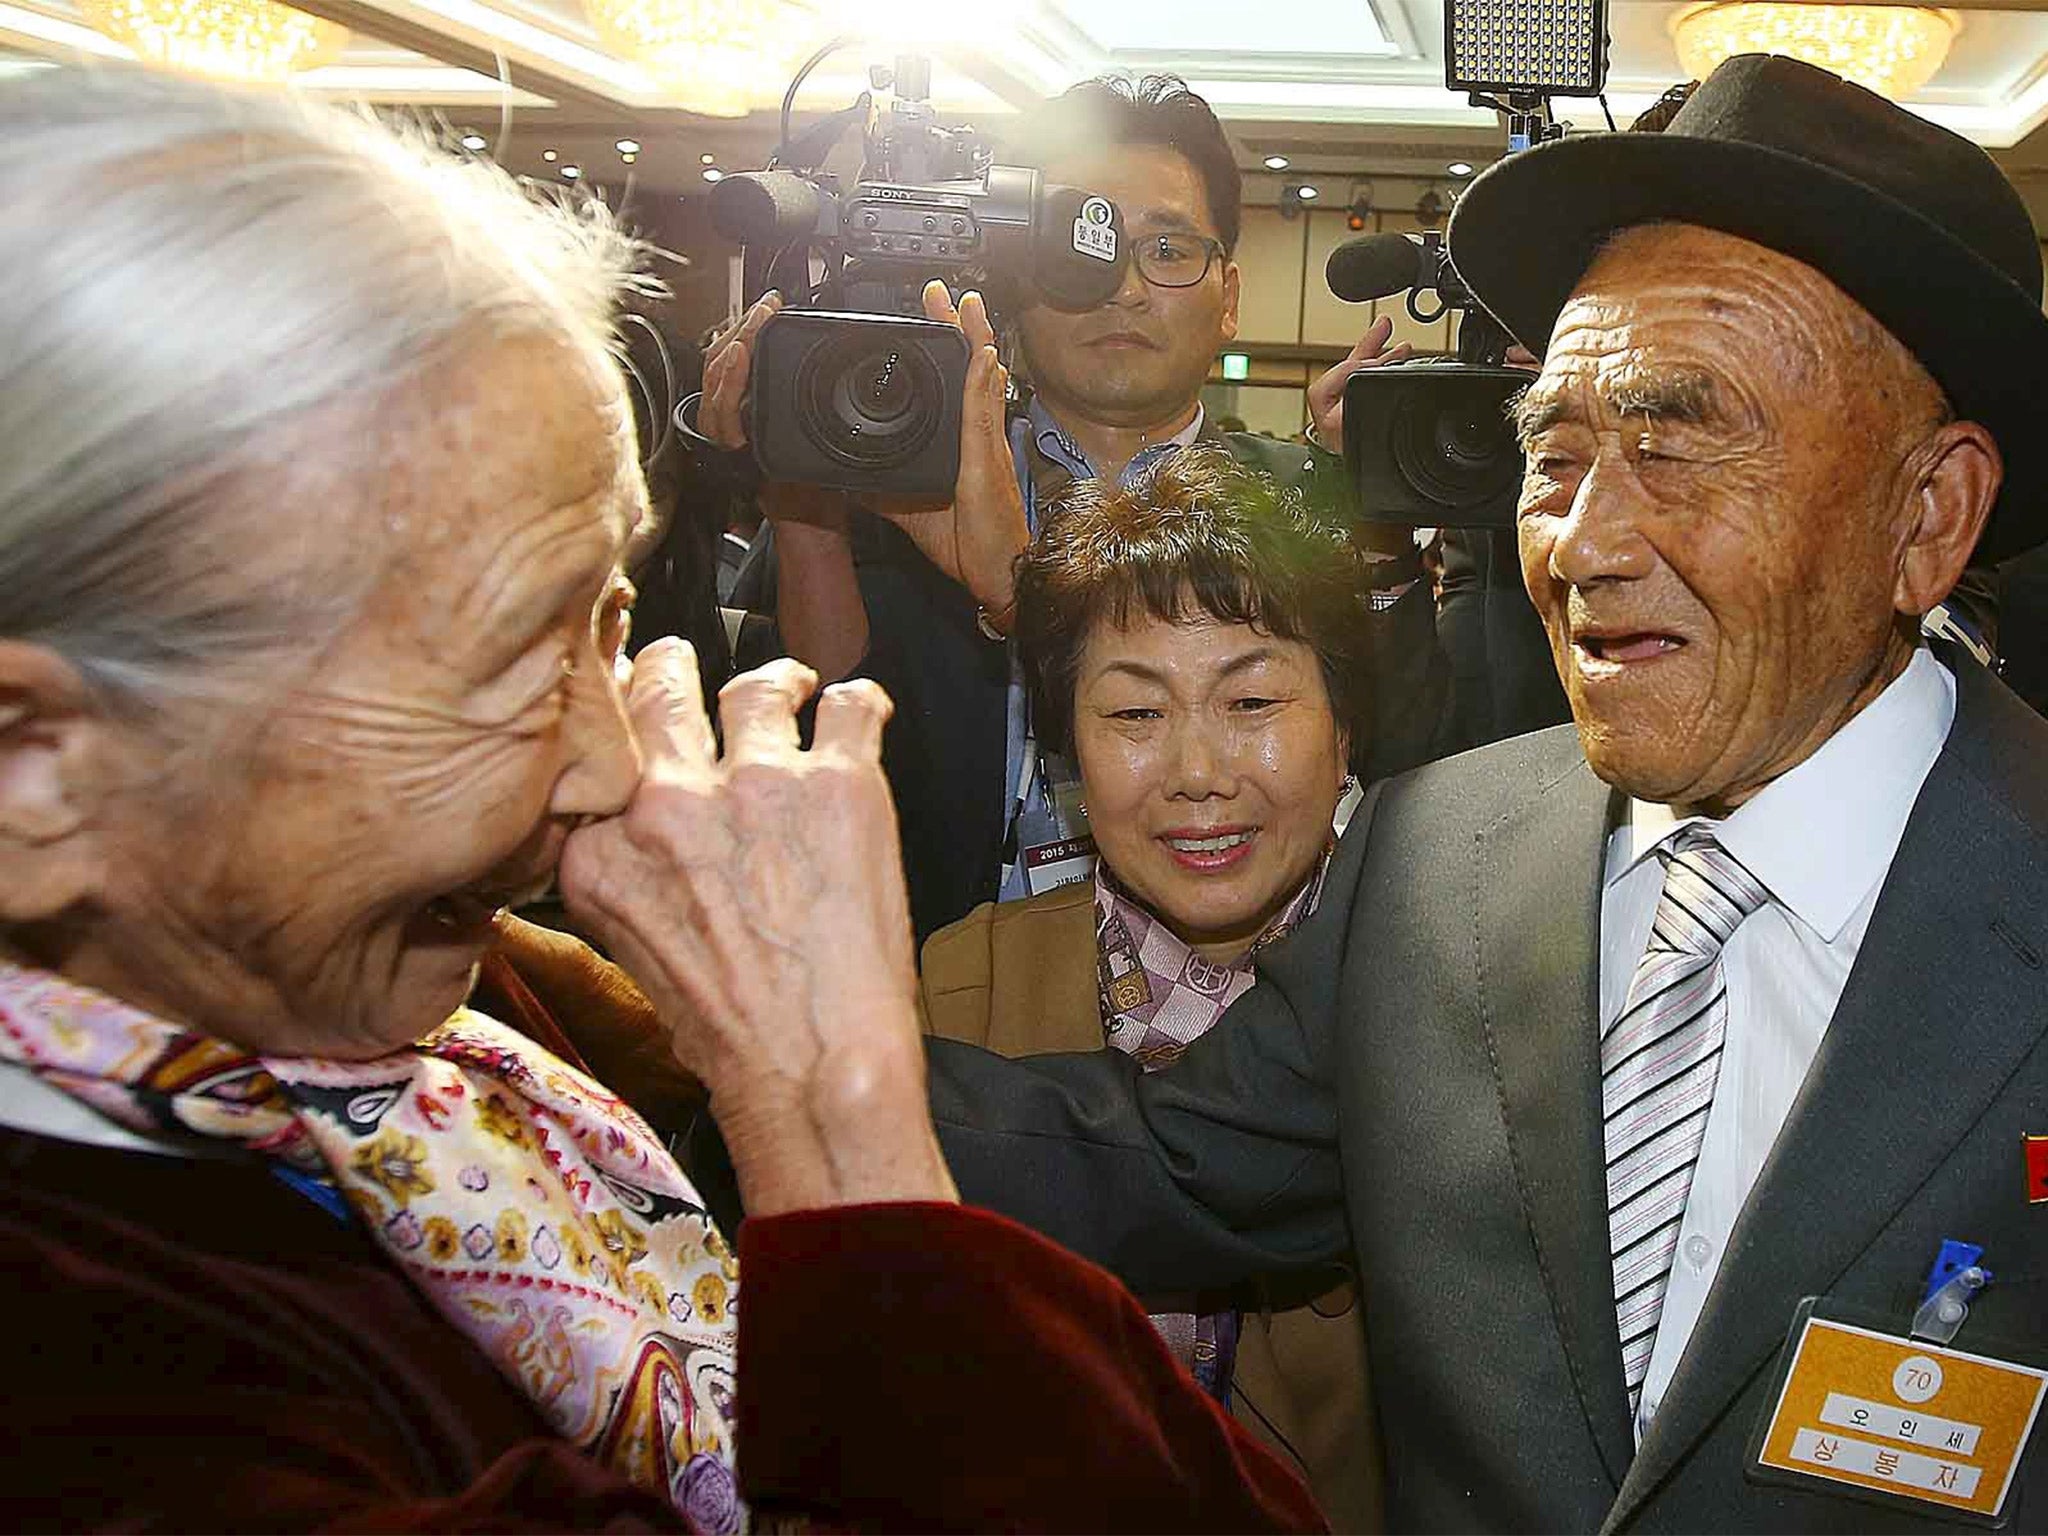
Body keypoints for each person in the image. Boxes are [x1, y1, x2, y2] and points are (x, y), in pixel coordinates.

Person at [0, 65, 1329, 1534]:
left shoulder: (506, 1009)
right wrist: (831, 1115)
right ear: (33, 767)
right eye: (509, 662)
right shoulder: (91, 1397)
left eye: (610, 630)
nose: (617, 765)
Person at [922, 54, 2048, 1530]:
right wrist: (710, 1039)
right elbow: (1138, 1166)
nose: (1580, 544)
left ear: (1930, 513)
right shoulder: (1439, 859)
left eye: (1677, 443)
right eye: (1558, 456)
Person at [698, 75, 1450, 942]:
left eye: (1168, 250)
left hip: (1238, 1007)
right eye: (1080, 247)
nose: (1123, 288)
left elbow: (1408, 764)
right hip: (938, 985)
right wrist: (799, 489)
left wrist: (1378, 519)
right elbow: (798, 727)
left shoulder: (1302, 503)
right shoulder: (889, 468)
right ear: (1016, 280)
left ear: (1230, 297)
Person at [918, 446, 1380, 1528]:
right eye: (1133, 715)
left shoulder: (1436, 991)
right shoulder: (960, 986)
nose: (1198, 773)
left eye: (1253, 699)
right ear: (1066, 751)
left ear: (1345, 723)